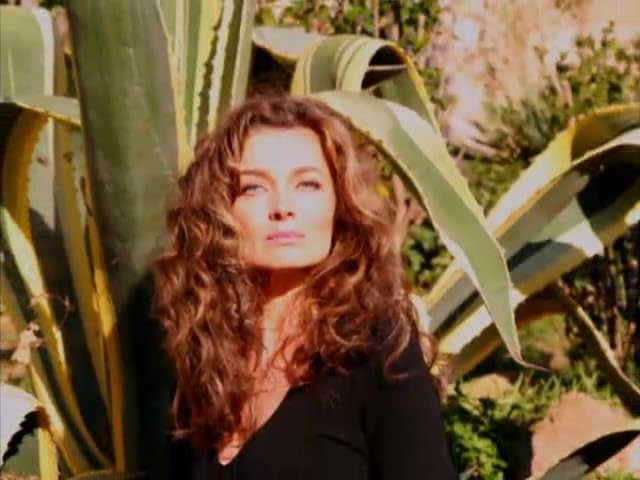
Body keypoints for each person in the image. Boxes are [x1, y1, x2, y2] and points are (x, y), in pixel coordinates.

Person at [151, 95, 457, 479]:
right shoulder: (204, 357)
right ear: (219, 210)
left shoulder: (377, 352)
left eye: (307, 184)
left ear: (339, 204)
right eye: (253, 188)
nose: (282, 207)